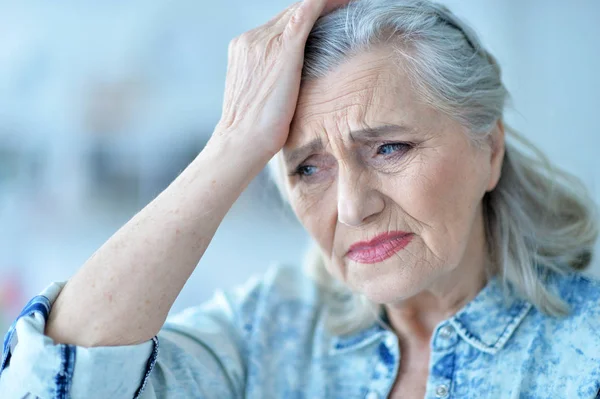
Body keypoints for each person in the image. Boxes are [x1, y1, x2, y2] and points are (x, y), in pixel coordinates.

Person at [1, 0, 599, 397]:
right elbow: (49, 385)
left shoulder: (586, 351)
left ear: (488, 149)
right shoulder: (267, 331)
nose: (350, 207)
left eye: (389, 148)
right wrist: (232, 145)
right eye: (308, 168)